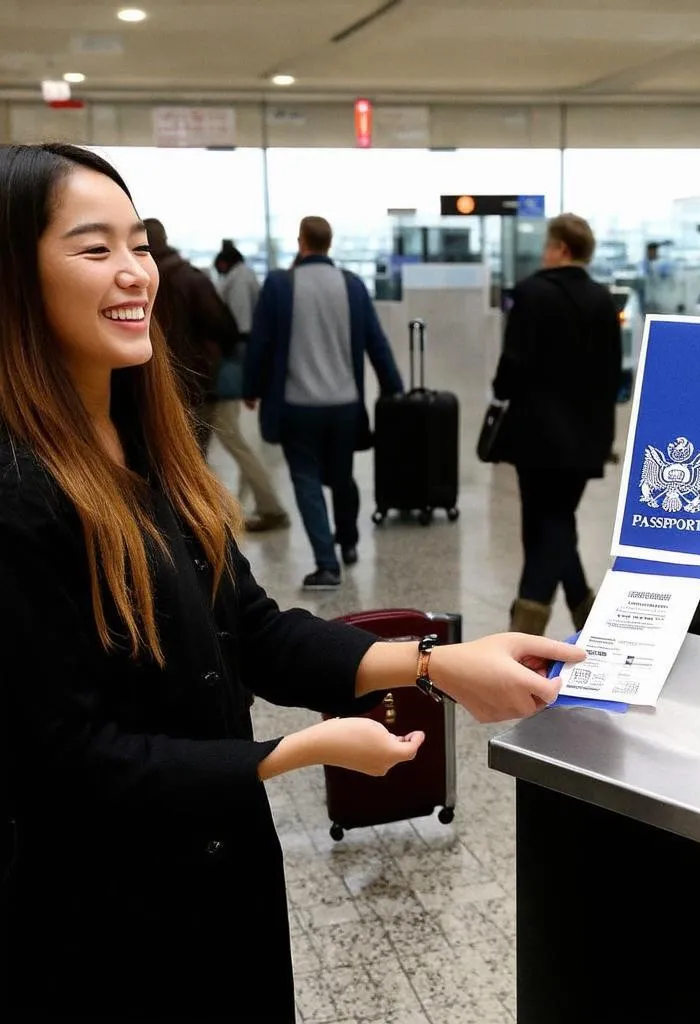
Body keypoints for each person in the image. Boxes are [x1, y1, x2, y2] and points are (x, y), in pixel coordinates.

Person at [0, 142, 584, 1023]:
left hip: (219, 884)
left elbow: (257, 631)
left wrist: (438, 664)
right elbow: (67, 763)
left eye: (140, 245)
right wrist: (298, 752)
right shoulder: (17, 491)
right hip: (101, 925)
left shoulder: (151, 447)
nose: (134, 275)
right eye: (94, 250)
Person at [246, 216, 403, 590]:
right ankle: (347, 541)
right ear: (328, 244)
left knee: (306, 482)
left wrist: (251, 388)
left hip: (297, 406)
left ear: (301, 242)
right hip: (345, 406)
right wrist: (392, 388)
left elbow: (261, 343)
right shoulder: (351, 285)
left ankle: (327, 565)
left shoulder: (280, 284)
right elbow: (375, 342)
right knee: (342, 475)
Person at [491, 213, 623, 636]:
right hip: (585, 439)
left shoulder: (531, 294)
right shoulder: (604, 300)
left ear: (561, 249)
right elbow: (611, 374)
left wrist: (501, 386)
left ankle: (524, 632)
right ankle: (587, 611)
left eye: (548, 246)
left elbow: (512, 366)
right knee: (557, 521)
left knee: (545, 524)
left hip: (536, 438)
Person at [211, 240, 290, 532]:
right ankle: (249, 502)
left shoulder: (240, 278)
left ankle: (267, 504)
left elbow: (241, 326)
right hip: (236, 362)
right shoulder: (242, 276)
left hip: (233, 362)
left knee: (233, 438)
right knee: (236, 440)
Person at [143, 216, 240, 450]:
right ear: (166, 240)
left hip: (148, 385)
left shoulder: (136, 281)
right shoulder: (191, 279)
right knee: (194, 455)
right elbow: (224, 327)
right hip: (196, 380)